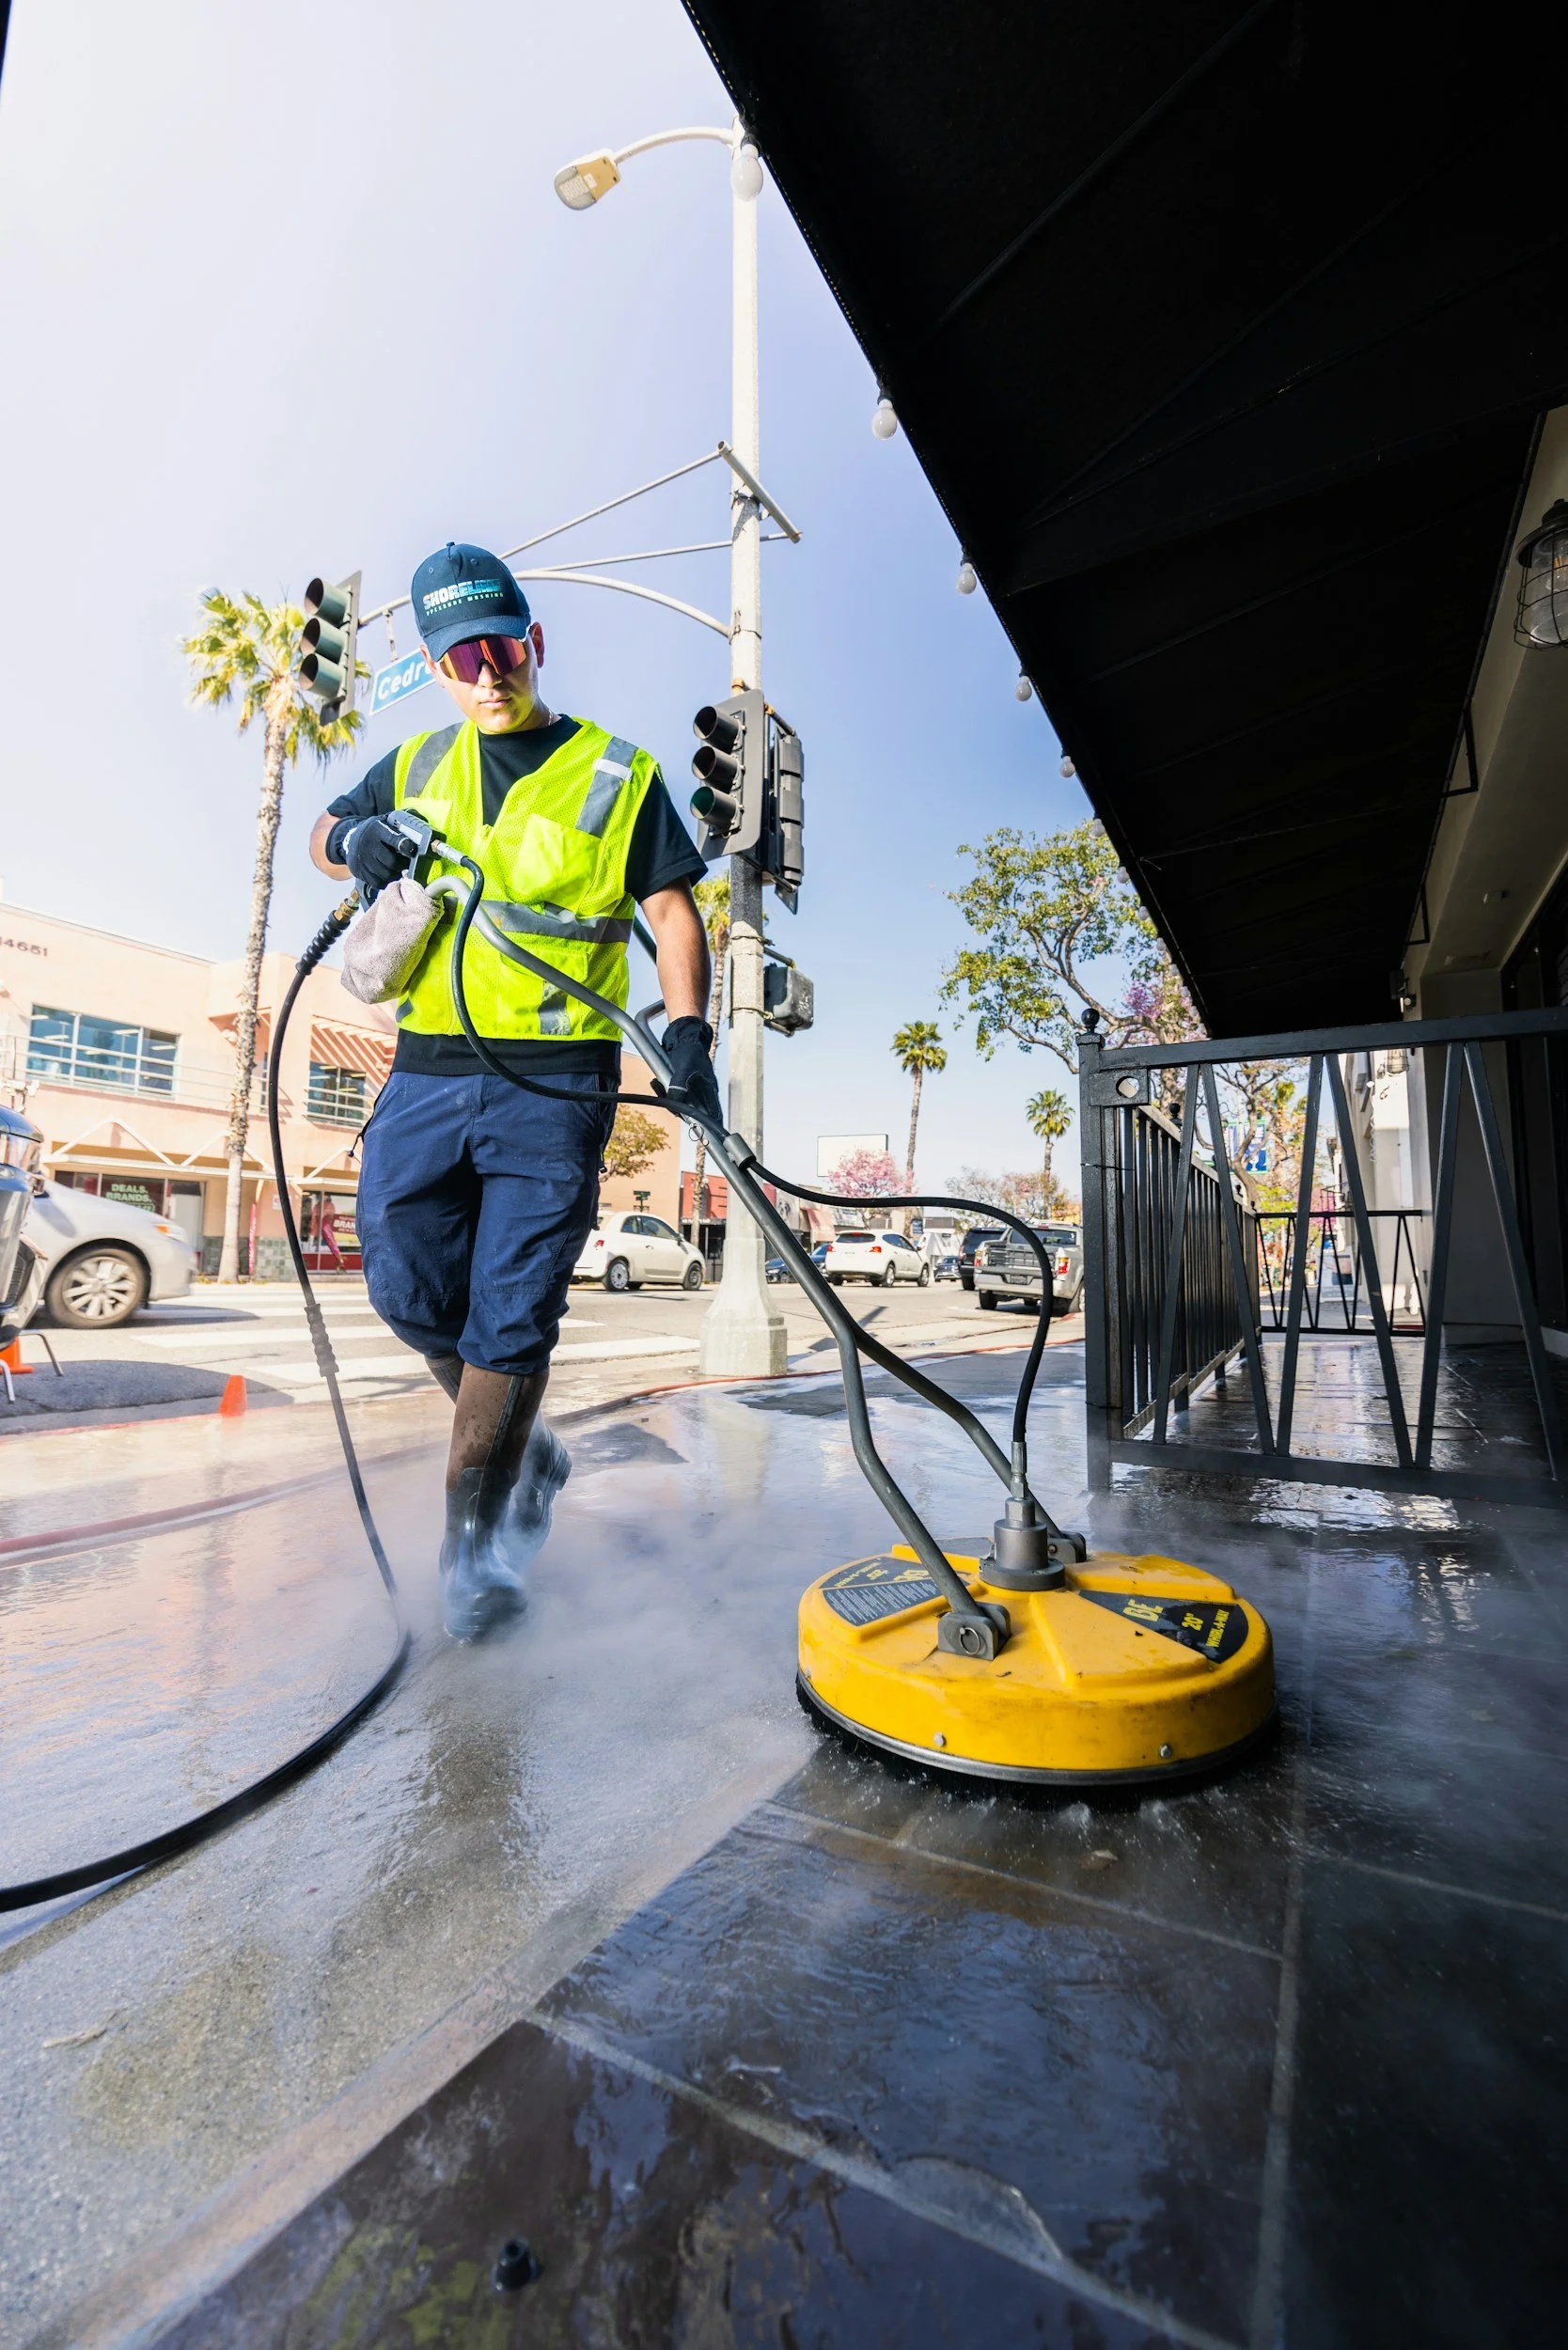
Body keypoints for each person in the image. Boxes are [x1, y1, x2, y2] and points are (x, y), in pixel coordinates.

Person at [310, 541, 721, 1638]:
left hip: (556, 1085)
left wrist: (690, 1033)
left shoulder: (615, 773)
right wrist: (355, 835)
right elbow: (321, 835)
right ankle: (525, 1452)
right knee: (403, 1284)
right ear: (441, 670)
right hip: (430, 1067)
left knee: (513, 1311)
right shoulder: (412, 766)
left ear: (533, 644)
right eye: (461, 658)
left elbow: (675, 911)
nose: (486, 672)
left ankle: (475, 1547)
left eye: (502, 648)